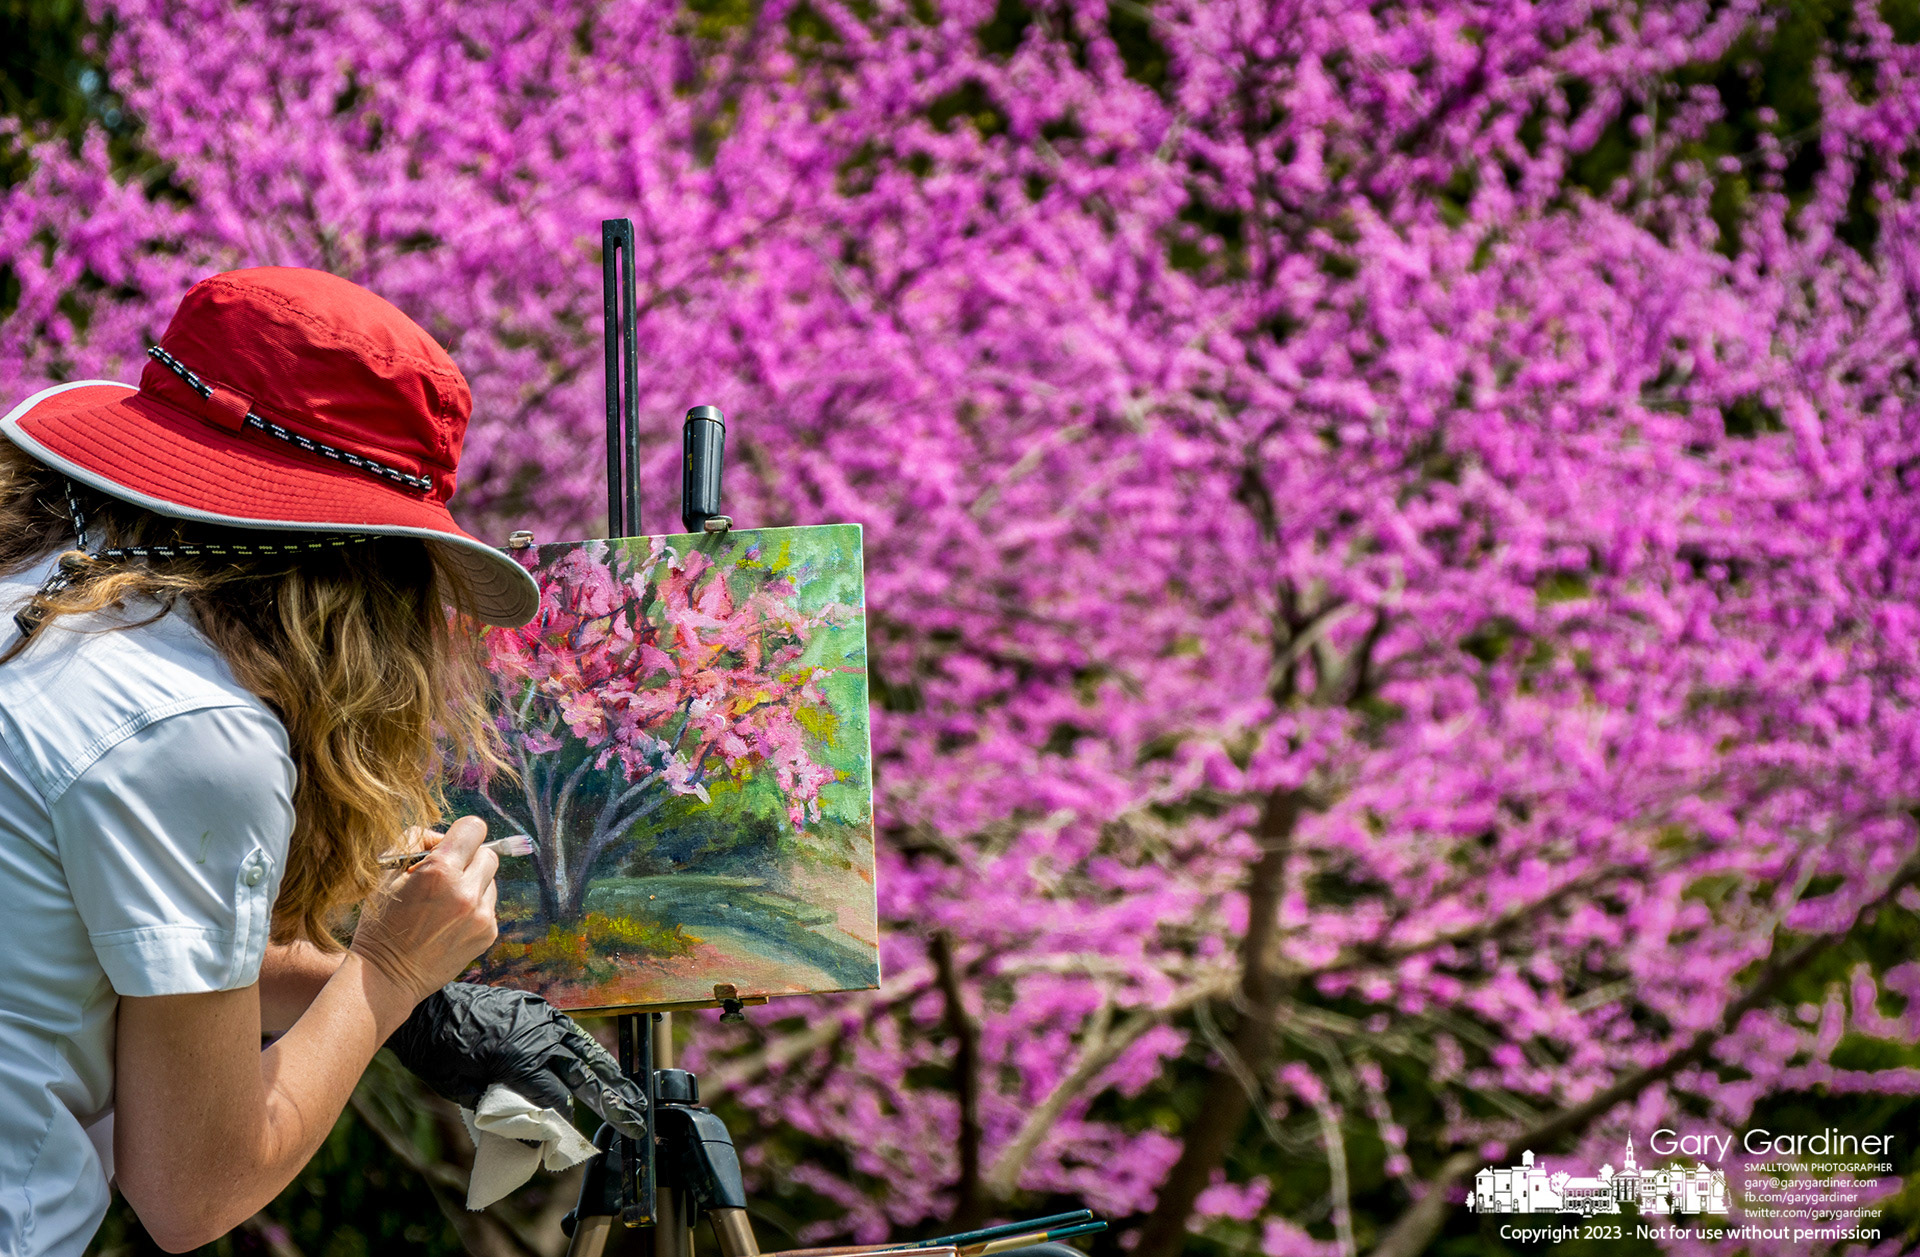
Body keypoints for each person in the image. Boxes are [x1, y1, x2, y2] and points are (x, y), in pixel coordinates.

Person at [0, 267, 628, 1255]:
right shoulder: (193, 726)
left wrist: (406, 1003)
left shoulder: (38, 591)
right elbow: (190, 1188)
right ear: (366, 573)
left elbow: (79, 936)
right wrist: (388, 970)